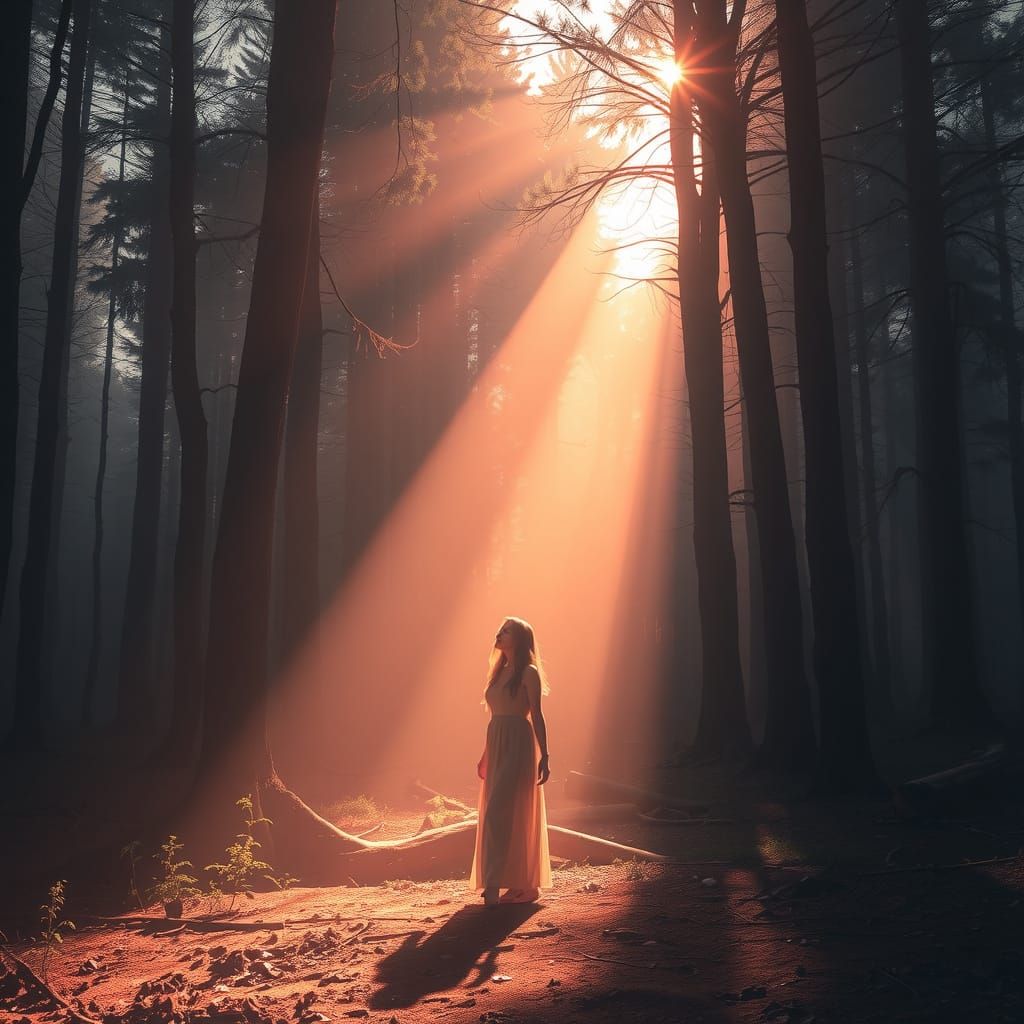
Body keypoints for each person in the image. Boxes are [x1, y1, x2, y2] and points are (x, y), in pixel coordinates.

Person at [469, 616, 552, 906]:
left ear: (519, 639)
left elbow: (537, 715)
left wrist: (546, 755)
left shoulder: (528, 672)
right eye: (500, 629)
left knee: (497, 810)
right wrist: (485, 756)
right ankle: (518, 884)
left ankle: (493, 884)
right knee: (501, 812)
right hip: (498, 741)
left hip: (518, 743)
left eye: (506, 631)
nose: (499, 633)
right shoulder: (498, 671)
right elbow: (495, 718)